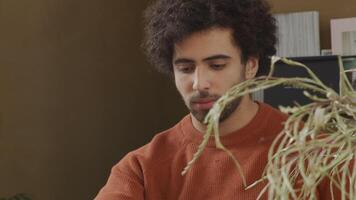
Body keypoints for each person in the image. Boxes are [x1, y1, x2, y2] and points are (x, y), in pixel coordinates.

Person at [95, 0, 338, 199]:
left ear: (250, 65)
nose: (199, 83)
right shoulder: (141, 169)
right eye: (186, 68)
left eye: (217, 65)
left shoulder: (319, 153)